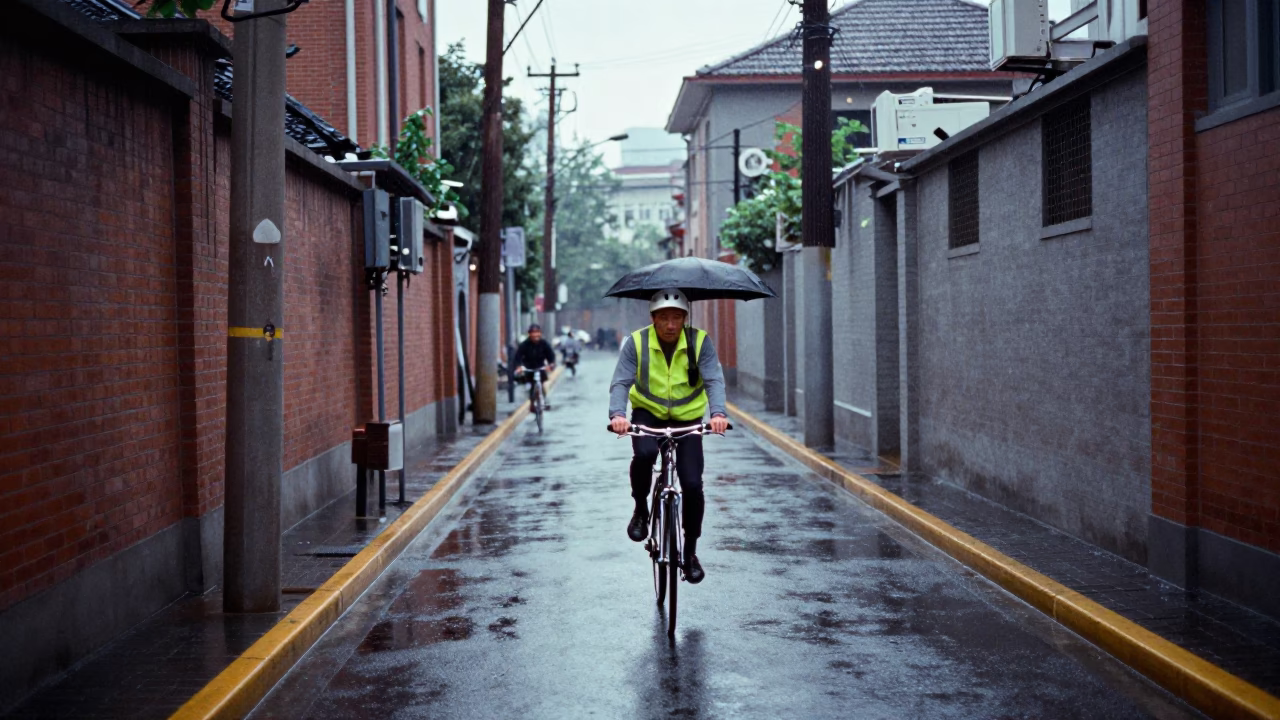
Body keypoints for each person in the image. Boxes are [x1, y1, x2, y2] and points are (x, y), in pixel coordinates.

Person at [608, 288, 729, 584]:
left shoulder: (700, 342)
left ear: (685, 318)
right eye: (664, 318)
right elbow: (621, 381)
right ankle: (641, 508)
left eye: (677, 317)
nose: (671, 324)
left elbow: (713, 378)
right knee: (646, 454)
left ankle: (689, 553)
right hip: (648, 413)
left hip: (687, 418)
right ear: (653, 318)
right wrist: (618, 416)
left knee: (691, 484)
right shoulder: (636, 342)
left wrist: (718, 414)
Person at [513, 323, 557, 405]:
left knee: (541, 383)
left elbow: (551, 355)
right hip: (529, 368)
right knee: (530, 386)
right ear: (529, 334)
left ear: (540, 333)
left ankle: (544, 399)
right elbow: (518, 357)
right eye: (533, 332)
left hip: (540, 367)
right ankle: (532, 402)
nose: (535, 335)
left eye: (537, 332)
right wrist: (519, 367)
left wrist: (551, 364)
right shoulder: (524, 344)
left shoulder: (544, 343)